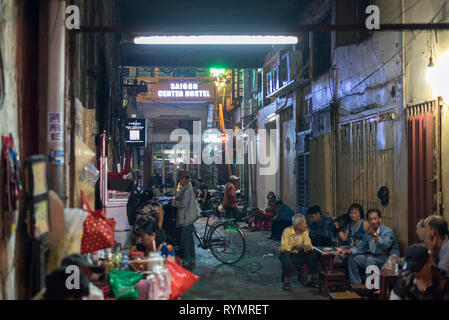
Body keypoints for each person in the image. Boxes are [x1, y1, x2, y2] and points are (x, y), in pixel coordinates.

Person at [337, 209, 400, 285]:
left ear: (380, 219)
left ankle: (370, 287)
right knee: (352, 258)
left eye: (375, 219)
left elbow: (386, 246)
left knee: (370, 259)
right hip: (375, 257)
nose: (373, 221)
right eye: (371, 219)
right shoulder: (368, 233)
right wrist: (346, 251)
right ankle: (356, 285)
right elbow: (361, 248)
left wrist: (374, 234)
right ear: (368, 221)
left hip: (388, 258)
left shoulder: (387, 231)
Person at [279, 214, 320, 291]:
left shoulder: (305, 232)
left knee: (313, 252)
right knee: (284, 255)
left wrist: (306, 247)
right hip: (290, 254)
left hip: (300, 254)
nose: (306, 225)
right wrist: (294, 247)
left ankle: (310, 279)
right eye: (305, 223)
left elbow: (309, 245)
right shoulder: (287, 231)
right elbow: (283, 247)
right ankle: (286, 281)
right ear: (298, 225)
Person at [171, 170, 197, 265]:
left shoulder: (188, 189)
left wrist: (173, 203)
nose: (180, 181)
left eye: (182, 179)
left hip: (187, 217)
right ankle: (191, 257)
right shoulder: (186, 187)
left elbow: (184, 203)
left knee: (185, 240)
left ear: (186, 179)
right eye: (180, 179)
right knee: (189, 239)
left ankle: (187, 260)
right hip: (188, 217)